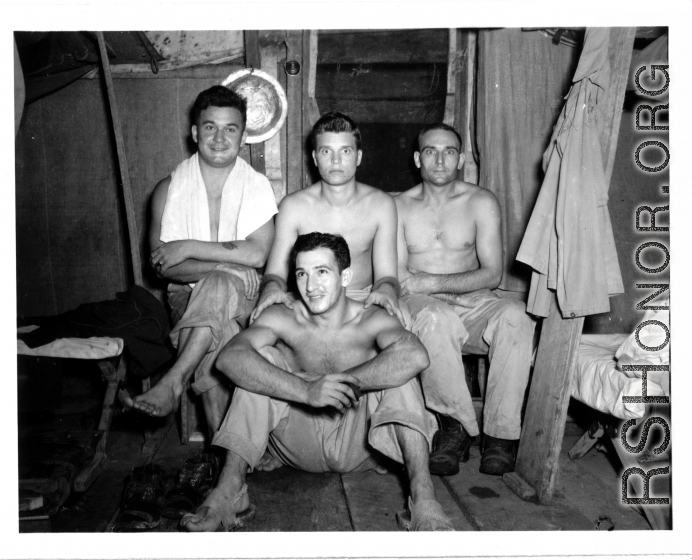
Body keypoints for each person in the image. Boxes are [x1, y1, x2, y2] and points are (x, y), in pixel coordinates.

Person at [181, 232, 454, 532]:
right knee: (261, 361)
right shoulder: (283, 316)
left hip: (358, 444)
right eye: (302, 274)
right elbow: (229, 358)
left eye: (322, 272)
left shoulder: (370, 318)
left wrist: (344, 383)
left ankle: (424, 500)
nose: (311, 286)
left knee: (398, 368)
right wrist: (306, 389)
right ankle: (229, 492)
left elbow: (415, 355)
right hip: (297, 442)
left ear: (345, 276)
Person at [119, 86, 278, 438]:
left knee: (220, 291)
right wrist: (223, 265)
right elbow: (163, 267)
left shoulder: (257, 186)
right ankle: (230, 458)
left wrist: (188, 246)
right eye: (210, 127)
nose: (219, 138)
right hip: (186, 297)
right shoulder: (168, 189)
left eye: (230, 128)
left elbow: (255, 255)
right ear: (195, 133)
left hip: (246, 296)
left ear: (243, 136)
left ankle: (173, 381)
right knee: (220, 333)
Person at [394, 123, 536, 476]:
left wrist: (430, 280)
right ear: (417, 158)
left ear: (459, 159)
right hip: (423, 308)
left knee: (516, 315)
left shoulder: (480, 201)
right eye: (430, 151)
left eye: (449, 152)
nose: (440, 160)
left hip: (474, 301)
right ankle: (454, 429)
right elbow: (398, 278)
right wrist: (425, 288)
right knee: (435, 318)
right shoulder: (397, 206)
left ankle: (500, 437)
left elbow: (492, 274)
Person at [251, 111, 402, 323]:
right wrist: (272, 288)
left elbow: (387, 276)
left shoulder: (381, 205)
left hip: (362, 300)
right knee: (264, 326)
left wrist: (386, 291)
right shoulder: (293, 206)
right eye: (326, 151)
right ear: (315, 158)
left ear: (358, 157)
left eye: (346, 151)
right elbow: (275, 273)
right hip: (309, 299)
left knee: (398, 328)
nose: (336, 160)